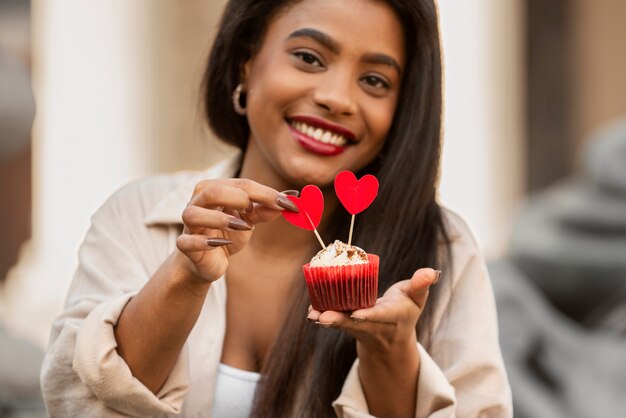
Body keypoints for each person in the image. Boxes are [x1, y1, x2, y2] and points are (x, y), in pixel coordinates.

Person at [40, 0, 512, 416]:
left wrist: (390, 353)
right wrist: (185, 276)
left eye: (374, 80)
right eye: (308, 58)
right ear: (246, 60)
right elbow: (78, 404)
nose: (336, 98)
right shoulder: (135, 217)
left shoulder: (442, 252)